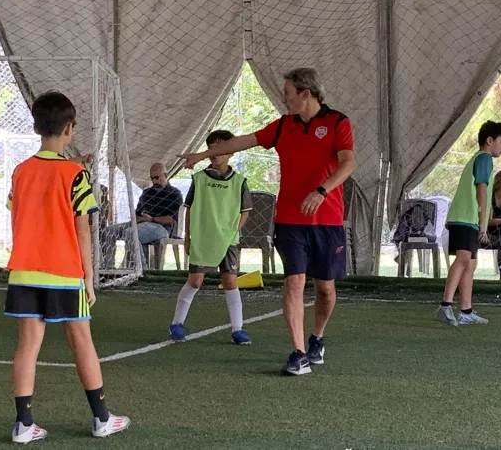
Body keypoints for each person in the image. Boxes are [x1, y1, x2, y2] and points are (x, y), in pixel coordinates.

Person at [179, 67, 356, 376]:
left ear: (305, 94)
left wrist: (322, 191)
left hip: (327, 221)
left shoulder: (337, 122)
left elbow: (348, 163)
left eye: (287, 94)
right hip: (289, 220)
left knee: (325, 289)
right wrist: (201, 153)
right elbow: (241, 142)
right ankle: (299, 352)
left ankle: (317, 338)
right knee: (294, 282)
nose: (283, 99)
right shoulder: (281, 127)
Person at [3, 91, 130, 443]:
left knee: (27, 347)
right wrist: (89, 280)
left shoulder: (20, 171)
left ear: (35, 127)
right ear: (70, 129)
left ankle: (23, 425)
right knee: (82, 344)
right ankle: (102, 419)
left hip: (24, 271)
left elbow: (14, 211)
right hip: (63, 273)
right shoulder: (76, 174)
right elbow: (83, 231)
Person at [169, 130, 253, 345]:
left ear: (231, 151)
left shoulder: (240, 181)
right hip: (203, 237)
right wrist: (188, 236)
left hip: (228, 241)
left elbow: (245, 211)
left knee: (230, 282)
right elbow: (189, 209)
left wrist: (232, 231)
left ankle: (238, 329)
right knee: (195, 281)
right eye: (212, 147)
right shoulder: (199, 179)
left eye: (221, 147)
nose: (216, 152)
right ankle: (177, 324)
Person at [437, 121, 501, 326]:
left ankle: (466, 311)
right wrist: (483, 222)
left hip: (468, 218)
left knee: (470, 263)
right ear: (490, 141)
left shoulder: (479, 159)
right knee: (463, 258)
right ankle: (445, 305)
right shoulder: (485, 158)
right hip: (465, 218)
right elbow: (482, 190)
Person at [101, 163, 183, 269]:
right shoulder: (147, 192)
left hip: (162, 228)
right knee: (109, 231)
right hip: (142, 223)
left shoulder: (174, 193)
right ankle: (109, 268)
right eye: (152, 178)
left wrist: (152, 219)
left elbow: (171, 220)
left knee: (130, 233)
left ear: (165, 175)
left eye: (157, 178)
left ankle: (142, 270)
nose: (154, 181)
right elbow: (138, 212)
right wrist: (137, 218)